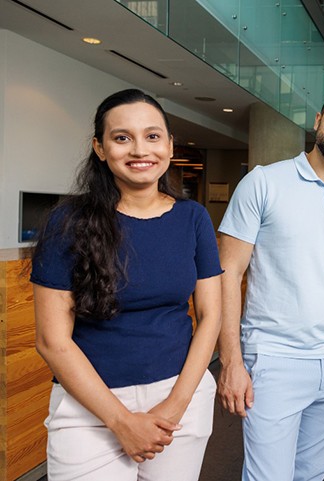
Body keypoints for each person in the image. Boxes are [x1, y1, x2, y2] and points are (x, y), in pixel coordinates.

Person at [31, 89, 222, 480]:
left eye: (152, 136)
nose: (140, 150)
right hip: (90, 408)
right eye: (122, 137)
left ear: (169, 145)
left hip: (180, 397)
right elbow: (53, 340)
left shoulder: (193, 218)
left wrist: (175, 405)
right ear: (100, 148)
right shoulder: (68, 221)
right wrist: (121, 421)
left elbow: (211, 314)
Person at [216, 80, 324, 481]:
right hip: (273, 359)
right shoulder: (263, 183)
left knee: (312, 476)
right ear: (320, 120)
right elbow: (227, 273)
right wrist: (231, 361)